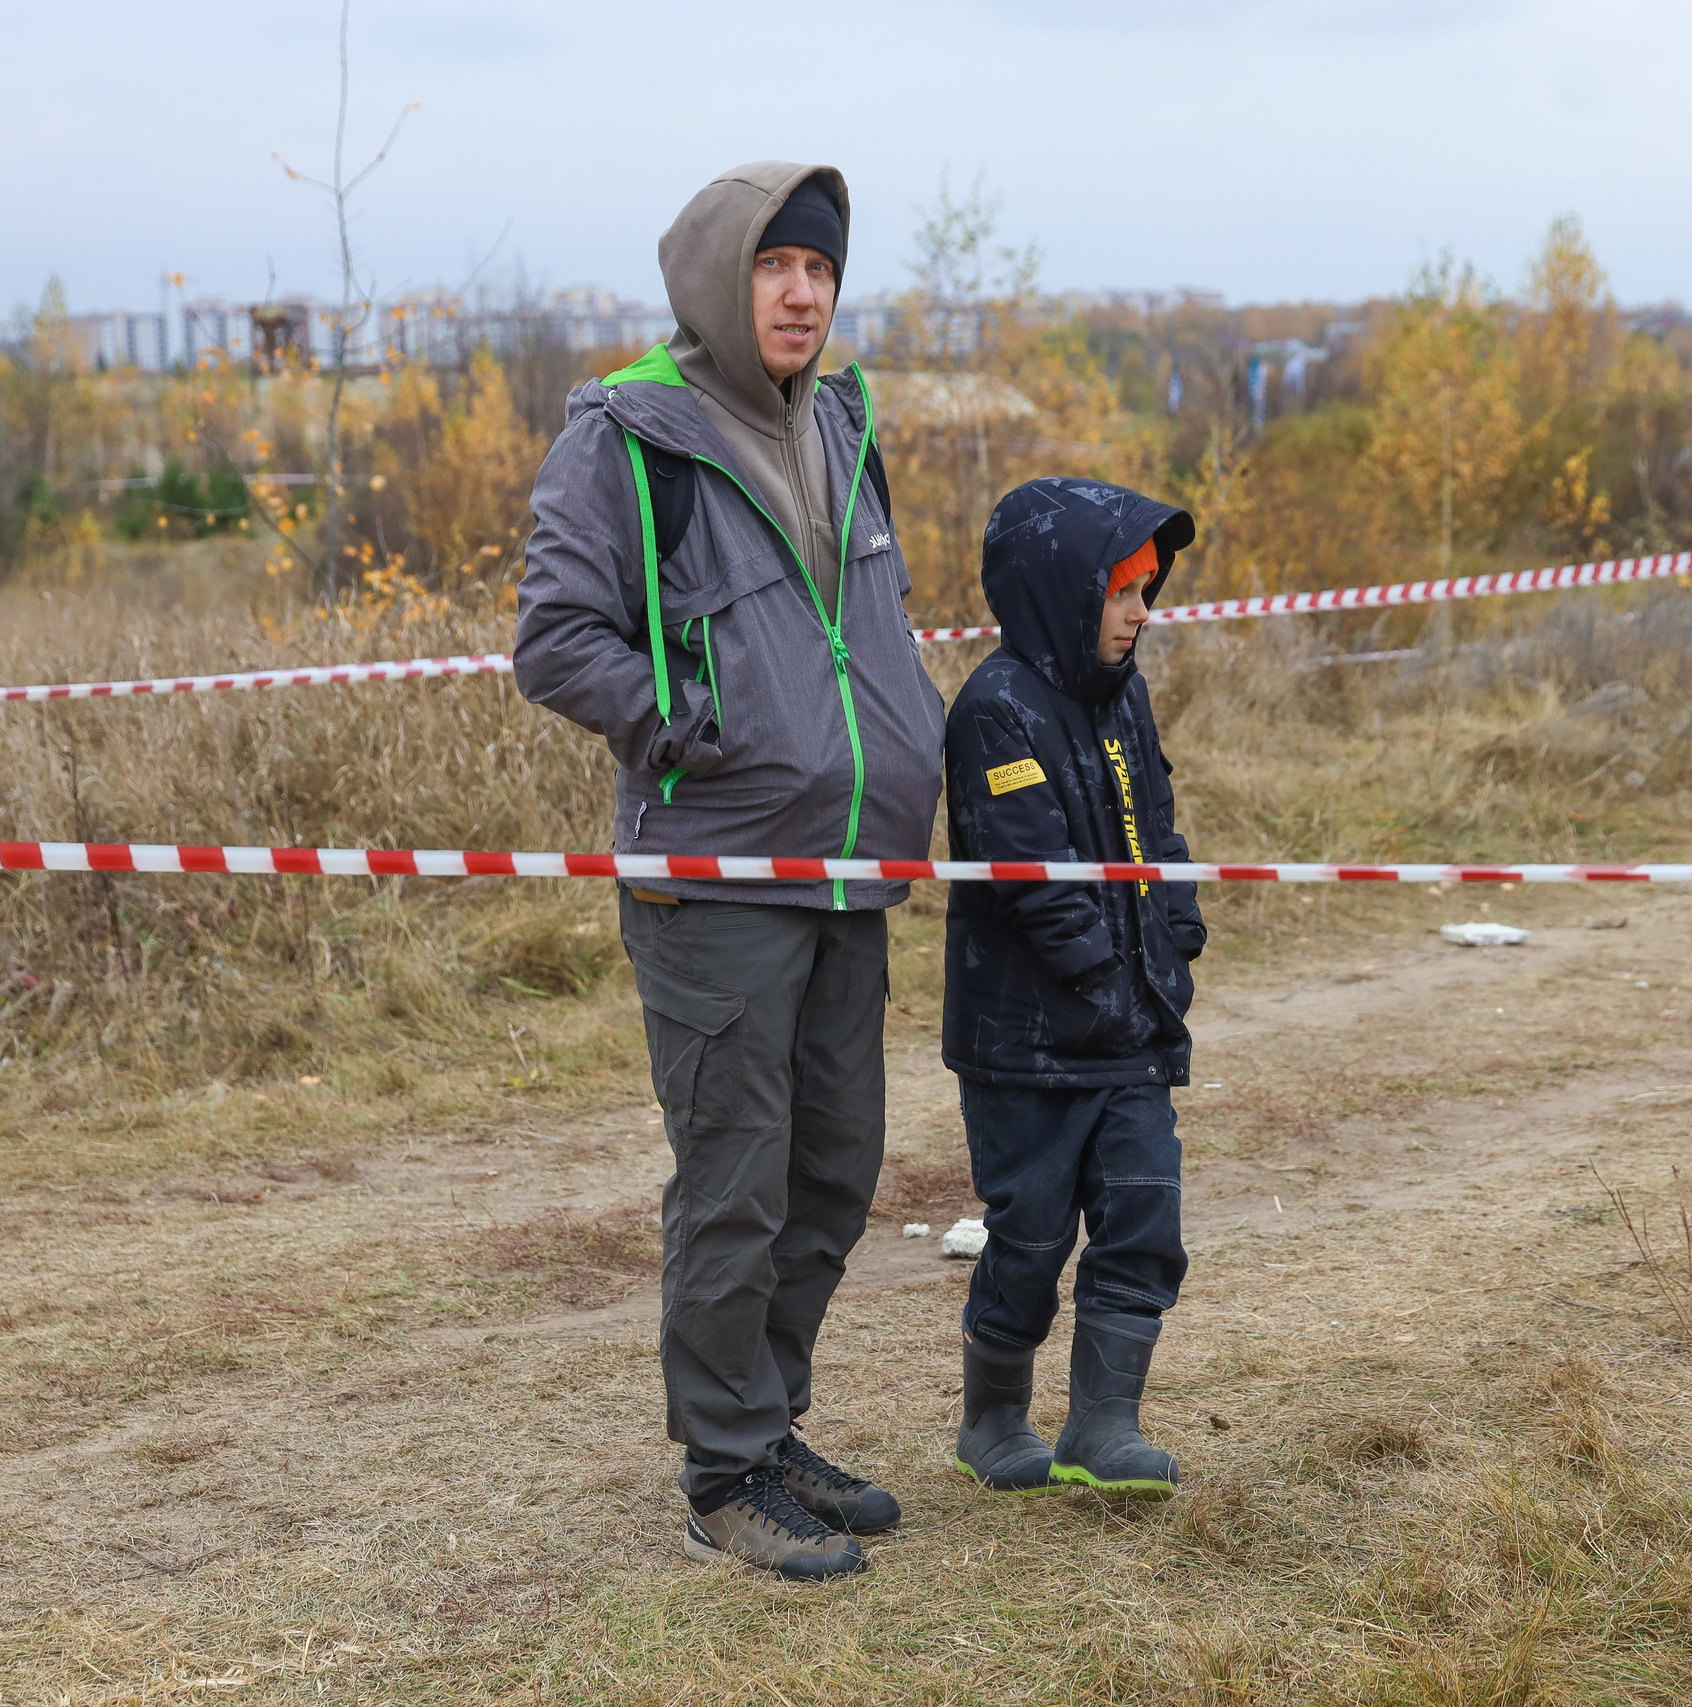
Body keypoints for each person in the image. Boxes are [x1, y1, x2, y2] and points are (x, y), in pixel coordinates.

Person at [513, 162, 947, 1580]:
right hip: (715, 878)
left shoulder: (842, 421)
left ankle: (769, 1427)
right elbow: (556, 637)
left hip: (848, 874)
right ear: (719, 276)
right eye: (775, 266)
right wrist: (683, 724)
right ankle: (720, 1471)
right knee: (735, 1181)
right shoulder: (631, 436)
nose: (803, 291)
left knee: (834, 1169)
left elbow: (864, 627)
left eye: (820, 268)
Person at [938, 477, 1205, 1499]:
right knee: (1033, 1238)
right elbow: (1033, 882)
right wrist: (1106, 980)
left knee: (1145, 1219)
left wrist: (1175, 937)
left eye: (1150, 590)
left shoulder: (1125, 692)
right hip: (1028, 1047)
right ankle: (991, 1418)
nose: (1143, 614)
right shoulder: (995, 710)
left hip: (1133, 1029)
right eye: (1125, 592)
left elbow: (1162, 825)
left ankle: (1103, 1424)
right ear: (1061, 590)